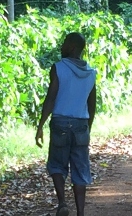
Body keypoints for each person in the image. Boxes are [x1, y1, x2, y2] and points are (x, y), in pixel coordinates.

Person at [36, 32, 98, 216]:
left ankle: (62, 203)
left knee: (56, 164)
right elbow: (92, 105)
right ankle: (80, 212)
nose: (61, 46)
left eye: (64, 43)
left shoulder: (58, 68)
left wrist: (40, 126)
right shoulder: (91, 73)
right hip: (81, 124)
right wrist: (88, 127)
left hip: (60, 122)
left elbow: (51, 98)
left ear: (72, 47)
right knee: (80, 169)